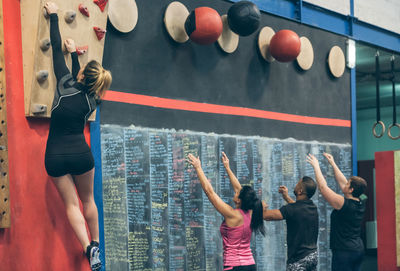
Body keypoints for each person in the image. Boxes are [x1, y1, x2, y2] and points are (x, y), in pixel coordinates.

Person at [43, 2, 112, 271]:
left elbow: (56, 55)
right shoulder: (92, 101)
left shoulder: (64, 84)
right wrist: (75, 58)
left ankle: (86, 248)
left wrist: (53, 16)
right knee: (87, 201)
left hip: (56, 156)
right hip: (81, 155)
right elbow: (79, 83)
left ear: (82, 74)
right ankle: (95, 244)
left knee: (71, 205)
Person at [187, 152, 265, 271]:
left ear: (239, 200)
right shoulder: (251, 211)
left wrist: (198, 168)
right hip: (250, 264)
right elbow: (238, 188)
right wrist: (227, 168)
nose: (235, 191)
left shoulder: (232, 215)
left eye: (237, 193)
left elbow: (210, 192)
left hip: (234, 266)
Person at [307, 153, 367, 271]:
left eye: (348, 184)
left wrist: (316, 166)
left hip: (344, 252)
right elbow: (343, 182)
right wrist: (333, 163)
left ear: (351, 190)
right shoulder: (362, 199)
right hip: (358, 250)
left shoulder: (344, 204)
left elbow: (324, 189)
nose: (345, 183)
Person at [263, 177, 319, 271]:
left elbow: (266, 216)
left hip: (298, 259)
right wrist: (286, 197)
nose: (295, 184)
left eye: (298, 183)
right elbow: (298, 209)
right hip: (312, 256)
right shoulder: (312, 207)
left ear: (300, 191)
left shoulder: (291, 209)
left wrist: (260, 206)